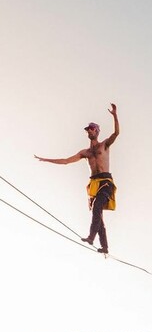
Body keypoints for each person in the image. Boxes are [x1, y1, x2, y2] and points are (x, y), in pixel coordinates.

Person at [35, 103, 120, 254]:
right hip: (94, 183)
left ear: (97, 131)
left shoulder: (104, 146)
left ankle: (91, 237)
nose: (90, 131)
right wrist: (47, 159)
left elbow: (116, 133)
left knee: (96, 208)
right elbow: (66, 160)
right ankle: (105, 246)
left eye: (92, 128)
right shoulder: (85, 152)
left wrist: (114, 115)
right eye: (88, 129)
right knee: (97, 214)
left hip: (106, 182)